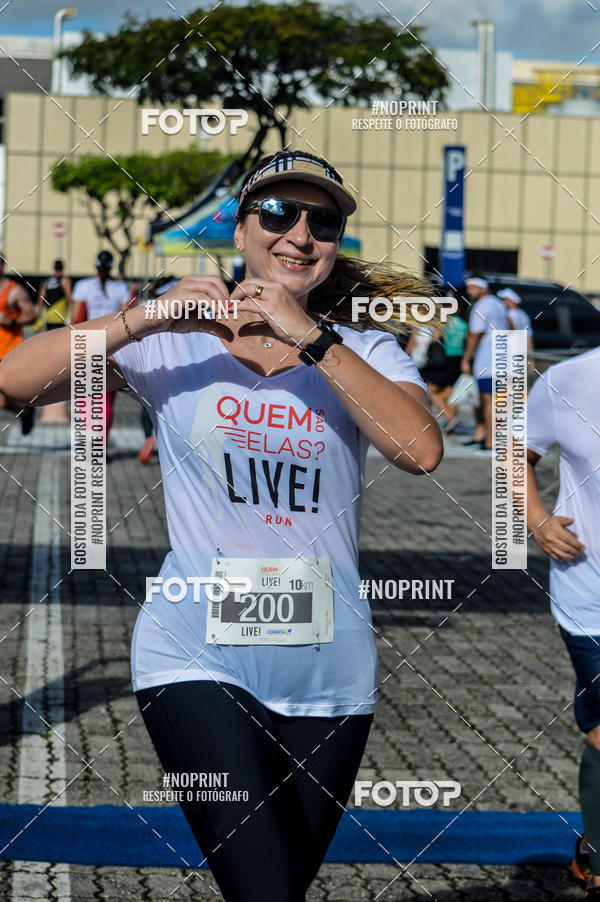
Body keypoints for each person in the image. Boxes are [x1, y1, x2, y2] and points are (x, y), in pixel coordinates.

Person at [0, 149, 444, 902]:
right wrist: (142, 316)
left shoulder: (363, 350)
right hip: (197, 655)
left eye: (323, 221)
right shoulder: (174, 345)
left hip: (330, 674)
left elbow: (422, 449)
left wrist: (314, 337)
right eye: (278, 214)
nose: (300, 234)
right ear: (240, 232)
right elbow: (13, 380)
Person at [526, 348, 600, 899]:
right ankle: (598, 861)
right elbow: (511, 452)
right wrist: (536, 521)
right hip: (591, 591)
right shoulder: (570, 378)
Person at [71, 251, 130, 456]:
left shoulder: (83, 286)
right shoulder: (121, 288)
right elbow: (126, 319)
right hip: (111, 347)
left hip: (87, 345)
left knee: (86, 399)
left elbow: (75, 319)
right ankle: (100, 447)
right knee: (106, 401)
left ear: (95, 265)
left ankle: (87, 444)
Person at [461, 275, 509, 451]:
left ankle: (490, 441)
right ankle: (482, 435)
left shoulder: (482, 305)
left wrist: (466, 358)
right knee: (491, 401)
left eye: (473, 287)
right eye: (468, 288)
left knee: (487, 400)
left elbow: (475, 333)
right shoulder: (498, 304)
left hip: (487, 361)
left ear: (483, 287)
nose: (469, 291)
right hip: (501, 359)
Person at [418, 292, 468, 433]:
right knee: (449, 393)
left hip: (445, 360)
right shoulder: (464, 324)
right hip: (458, 361)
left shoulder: (443, 322)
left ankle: (450, 418)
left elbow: (434, 339)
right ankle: (452, 425)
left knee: (431, 390)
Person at [0, 251, 37, 434]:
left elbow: (31, 315)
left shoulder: (14, 291)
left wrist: (11, 321)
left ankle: (25, 410)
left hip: (8, 352)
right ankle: (25, 411)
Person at [36, 259, 72, 424]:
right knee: (61, 346)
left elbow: (41, 300)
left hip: (49, 316)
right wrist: (71, 315)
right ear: (62, 268)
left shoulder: (47, 281)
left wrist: (39, 316)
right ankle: (58, 371)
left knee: (49, 344)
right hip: (59, 316)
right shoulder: (64, 280)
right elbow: (70, 297)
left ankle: (48, 369)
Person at [498, 287, 535, 374]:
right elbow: (529, 338)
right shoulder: (523, 315)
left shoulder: (509, 315)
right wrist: (531, 360)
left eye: (505, 299)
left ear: (511, 300)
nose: (503, 302)